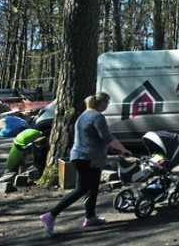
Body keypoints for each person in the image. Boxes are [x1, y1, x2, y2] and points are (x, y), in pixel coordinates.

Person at [40, 93, 130, 236]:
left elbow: (92, 136)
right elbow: (107, 137)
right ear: (101, 103)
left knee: (93, 187)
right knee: (81, 189)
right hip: (86, 158)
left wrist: (109, 147)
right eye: (107, 102)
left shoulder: (84, 115)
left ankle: (90, 217)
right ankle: (50, 215)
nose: (108, 105)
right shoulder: (97, 116)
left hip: (85, 157)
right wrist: (123, 149)